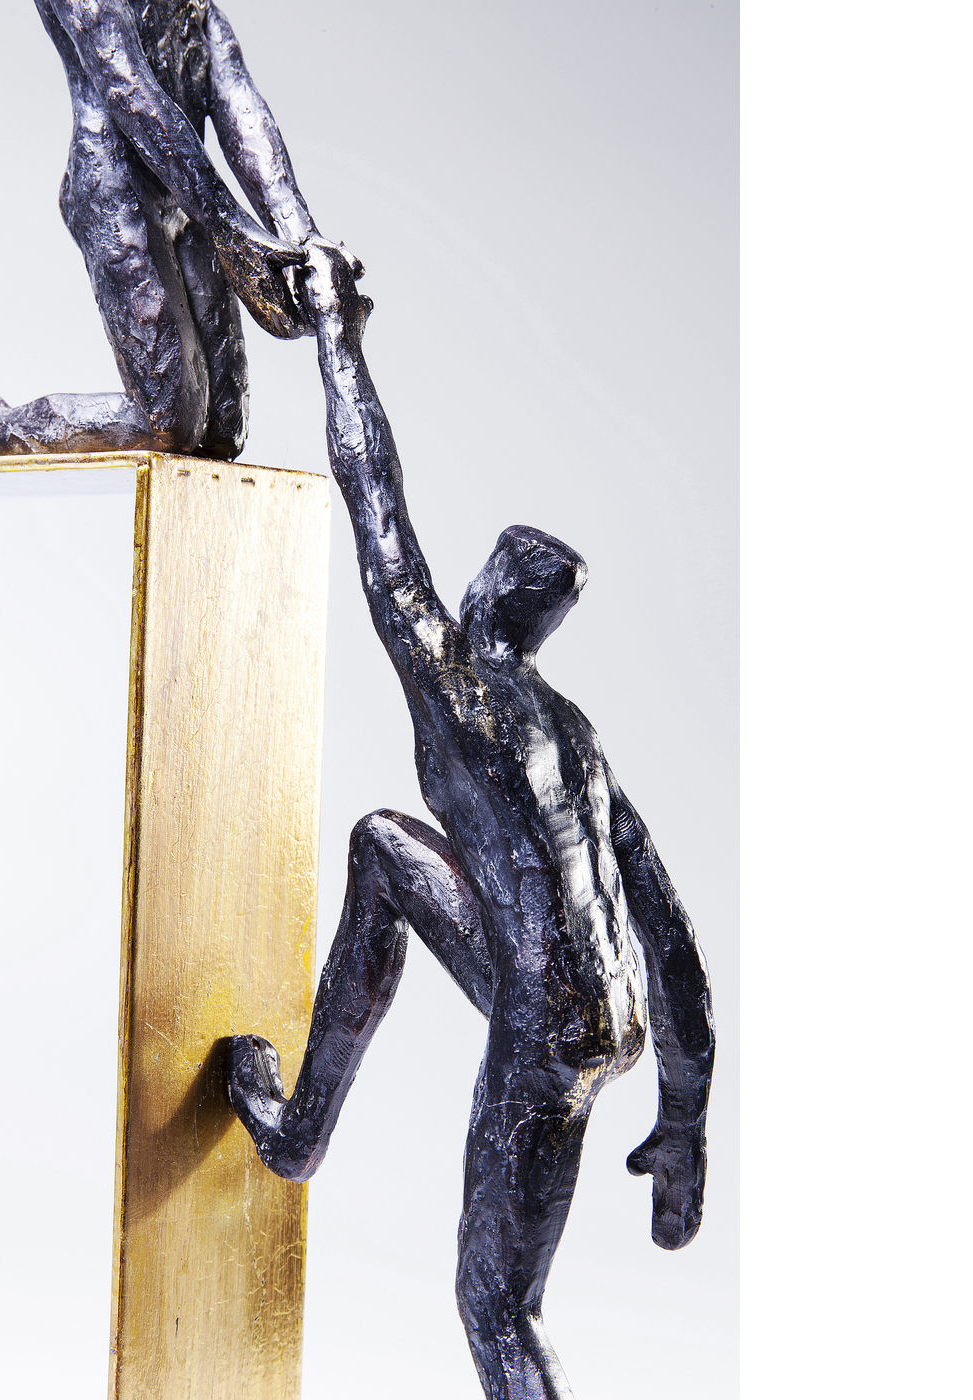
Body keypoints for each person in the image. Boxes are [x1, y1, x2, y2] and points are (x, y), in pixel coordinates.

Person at [226, 243, 716, 1400]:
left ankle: (299, 1130)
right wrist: (683, 1117)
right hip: (602, 1013)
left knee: (494, 1308)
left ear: (487, 596)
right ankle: (297, 1129)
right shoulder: (575, 737)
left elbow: (371, 495)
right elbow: (670, 940)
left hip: (544, 1021)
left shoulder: (451, 681)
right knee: (383, 848)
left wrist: (337, 335)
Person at [0, 0, 325, 462]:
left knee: (225, 428)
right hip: (118, 187)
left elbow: (237, 100)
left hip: (189, 199)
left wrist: (304, 240)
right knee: (167, 425)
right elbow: (128, 88)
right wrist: (230, 225)